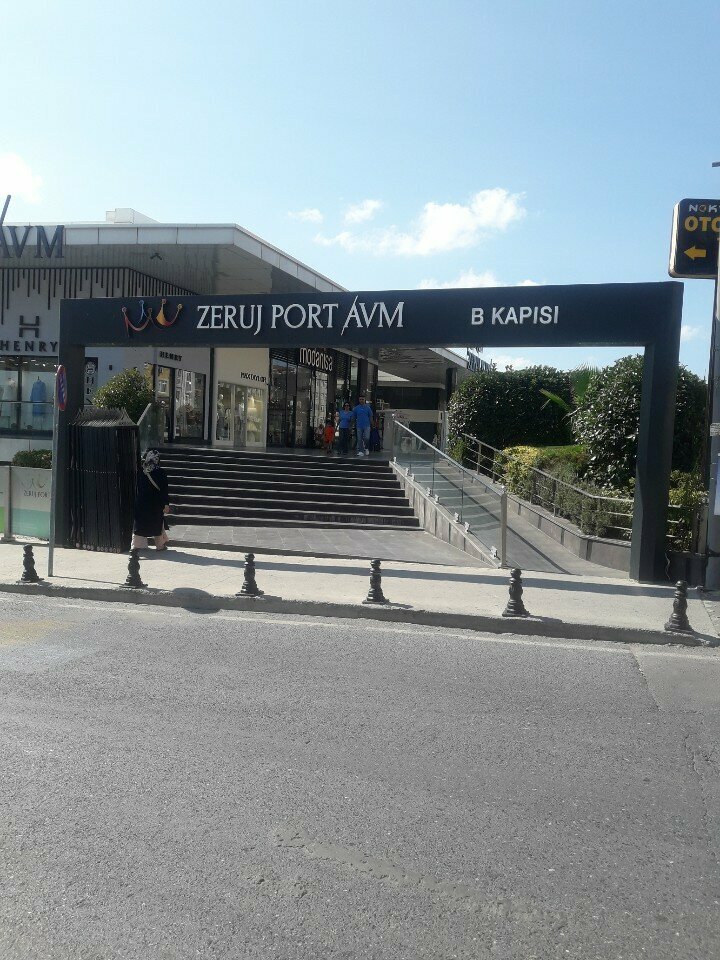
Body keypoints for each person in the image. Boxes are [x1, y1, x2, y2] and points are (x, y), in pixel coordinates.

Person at [131, 448, 170, 550]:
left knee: (140, 525)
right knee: (157, 523)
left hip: (142, 502)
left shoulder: (141, 471)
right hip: (155, 503)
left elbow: (138, 486)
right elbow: (164, 489)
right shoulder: (161, 472)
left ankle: (135, 547)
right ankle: (160, 546)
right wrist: (166, 503)